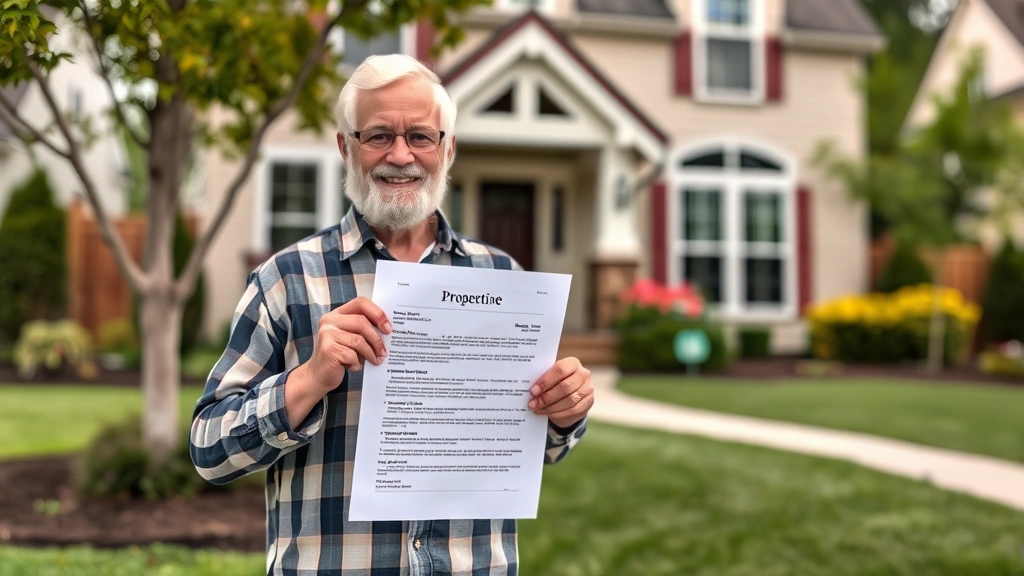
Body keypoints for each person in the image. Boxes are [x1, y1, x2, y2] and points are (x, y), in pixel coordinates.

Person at [189, 53, 595, 575]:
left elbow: (542, 449)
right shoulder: (286, 280)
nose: (400, 155)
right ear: (345, 147)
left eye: (421, 137)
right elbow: (209, 450)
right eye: (378, 135)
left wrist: (565, 412)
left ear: (447, 150)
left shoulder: (504, 278)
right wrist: (310, 379)